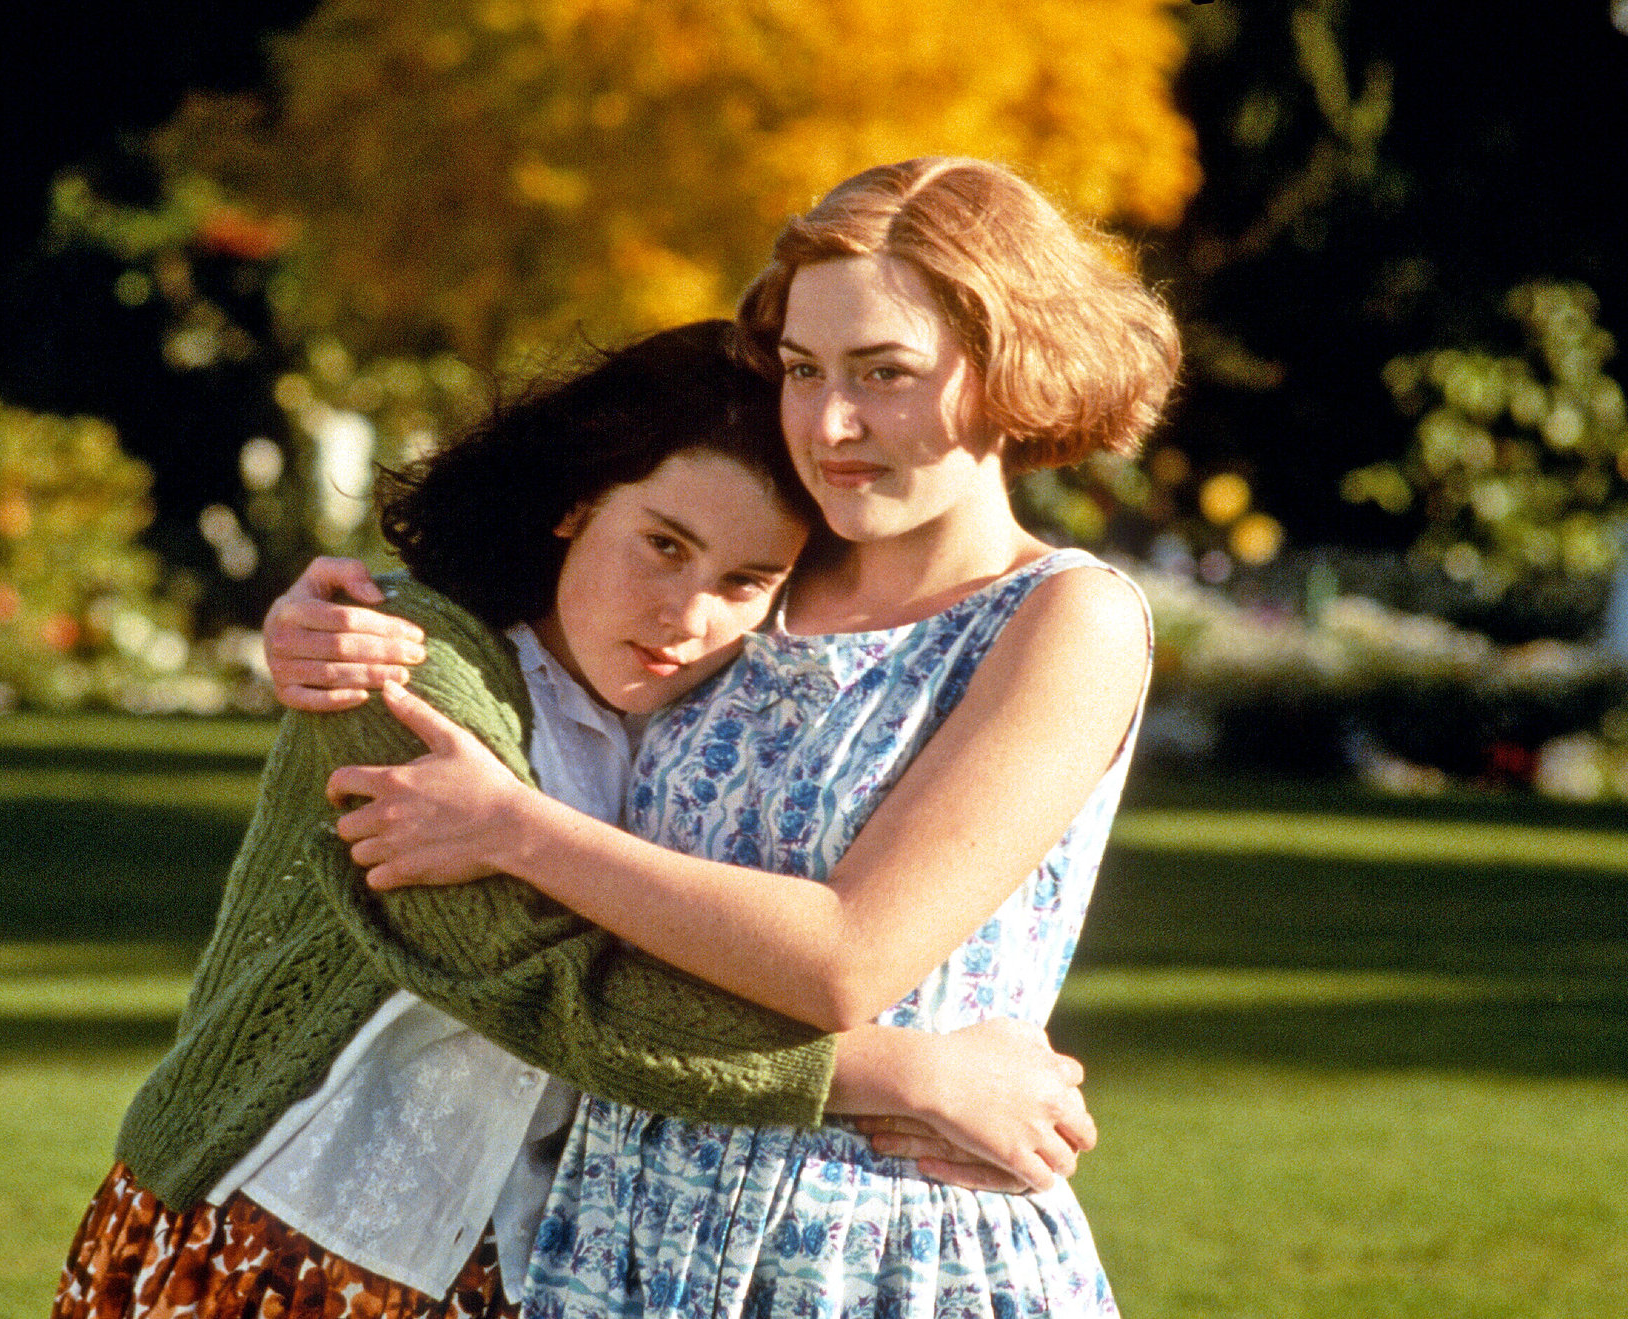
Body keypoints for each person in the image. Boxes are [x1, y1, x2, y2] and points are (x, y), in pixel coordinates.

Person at [274, 157, 1179, 1319]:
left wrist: (513, 830)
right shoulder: (757, 575)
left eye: (883, 373)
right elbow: (545, 617)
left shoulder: (1064, 617)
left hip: (872, 1250)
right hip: (609, 1235)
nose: (829, 423)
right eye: (802, 370)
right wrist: (329, 616)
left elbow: (844, 959)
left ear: (1010, 369)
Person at [52, 318, 1099, 1319]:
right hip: (277, 1229)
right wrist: (903, 1073)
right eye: (662, 544)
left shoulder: (712, 727)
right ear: (575, 503)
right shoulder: (402, 660)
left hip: (524, 1272)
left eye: (745, 580)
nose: (686, 617)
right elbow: (540, 980)